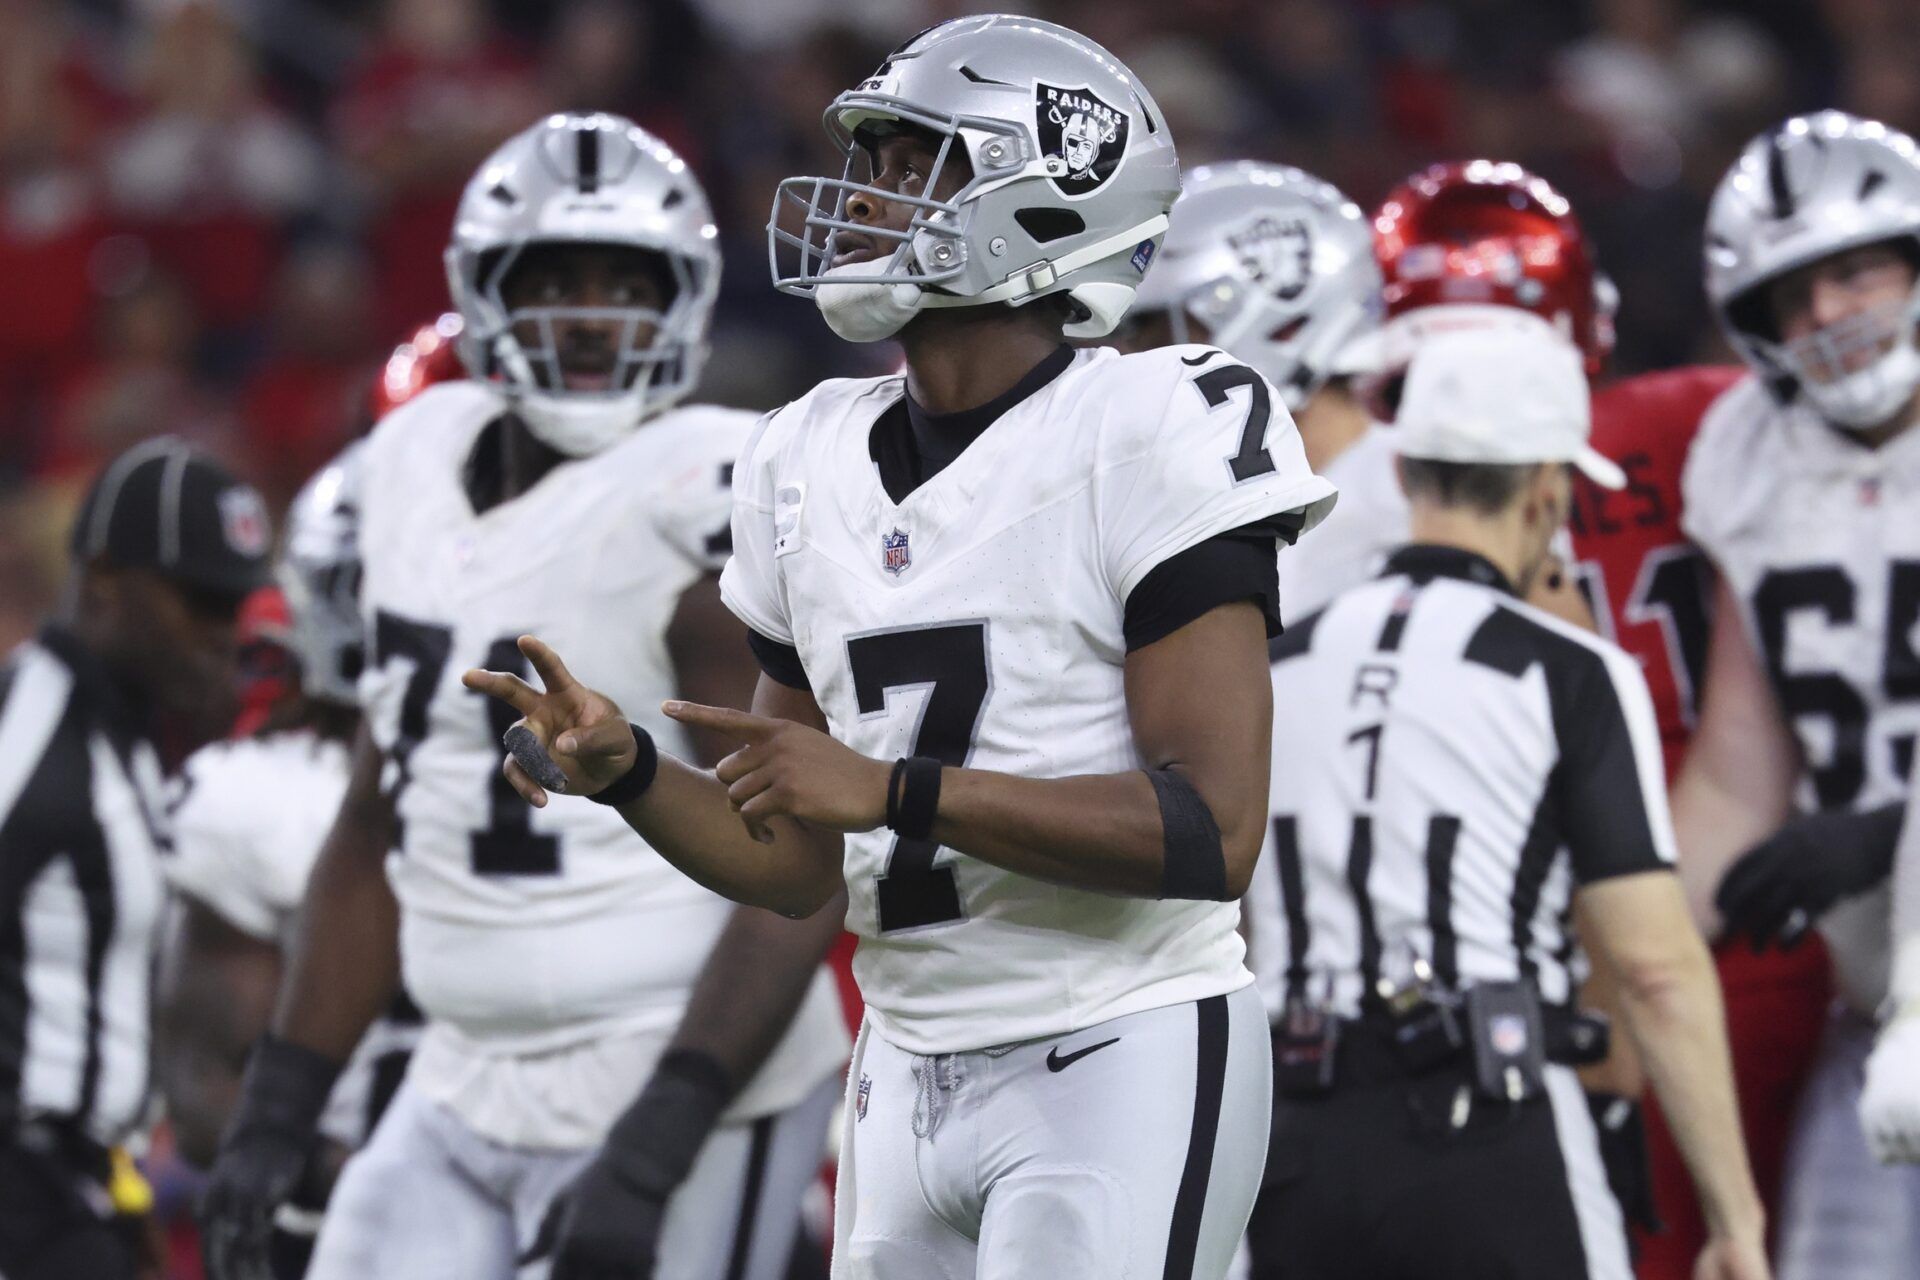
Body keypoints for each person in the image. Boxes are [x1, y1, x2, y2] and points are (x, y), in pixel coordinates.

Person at [469, 16, 1335, 1278]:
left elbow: (1211, 831)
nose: (863, 197)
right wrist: (634, 776)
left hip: (1116, 1043)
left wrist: (892, 791)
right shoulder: (800, 451)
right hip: (903, 1062)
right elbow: (791, 859)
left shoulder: (1158, 419)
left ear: (1048, 196)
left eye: (906, 162)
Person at [197, 112, 850, 1280]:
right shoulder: (409, 454)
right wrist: (281, 1095)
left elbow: (794, 868)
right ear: (481, 291)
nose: (592, 314)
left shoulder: (711, 484)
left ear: (687, 295)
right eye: (555, 278)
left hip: (678, 1064)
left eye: (625, 280)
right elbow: (377, 809)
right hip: (458, 1067)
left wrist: (655, 1145)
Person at [1246, 324, 1768, 1280]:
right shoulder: (1568, 673)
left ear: (1405, 479)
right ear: (1547, 494)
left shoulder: (1273, 666)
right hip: (1491, 1131)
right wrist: (1735, 1220)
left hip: (1288, 1146)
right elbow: (1655, 969)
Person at [1676, 108, 1920, 1280]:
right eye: (1791, 292)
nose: (1826, 315)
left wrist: (1887, 832)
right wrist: (1632, 957)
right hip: (1878, 1015)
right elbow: (1736, 767)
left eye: (1854, 269)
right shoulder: (1749, 450)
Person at [1, 437, 271, 1280]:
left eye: (237, 606)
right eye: (200, 602)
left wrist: (114, 1198)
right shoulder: (31, 729)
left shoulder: (115, 731)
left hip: (78, 1191)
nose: (225, 636)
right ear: (107, 577)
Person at [157, 448, 421, 1279]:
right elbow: (204, 1090)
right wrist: (336, 1171)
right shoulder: (262, 798)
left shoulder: (575, 763)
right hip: (346, 1217)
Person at [1103, 161, 1383, 620]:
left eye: (1151, 332)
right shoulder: (1224, 495)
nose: (1133, 357)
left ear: (1272, 320)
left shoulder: (1406, 504)